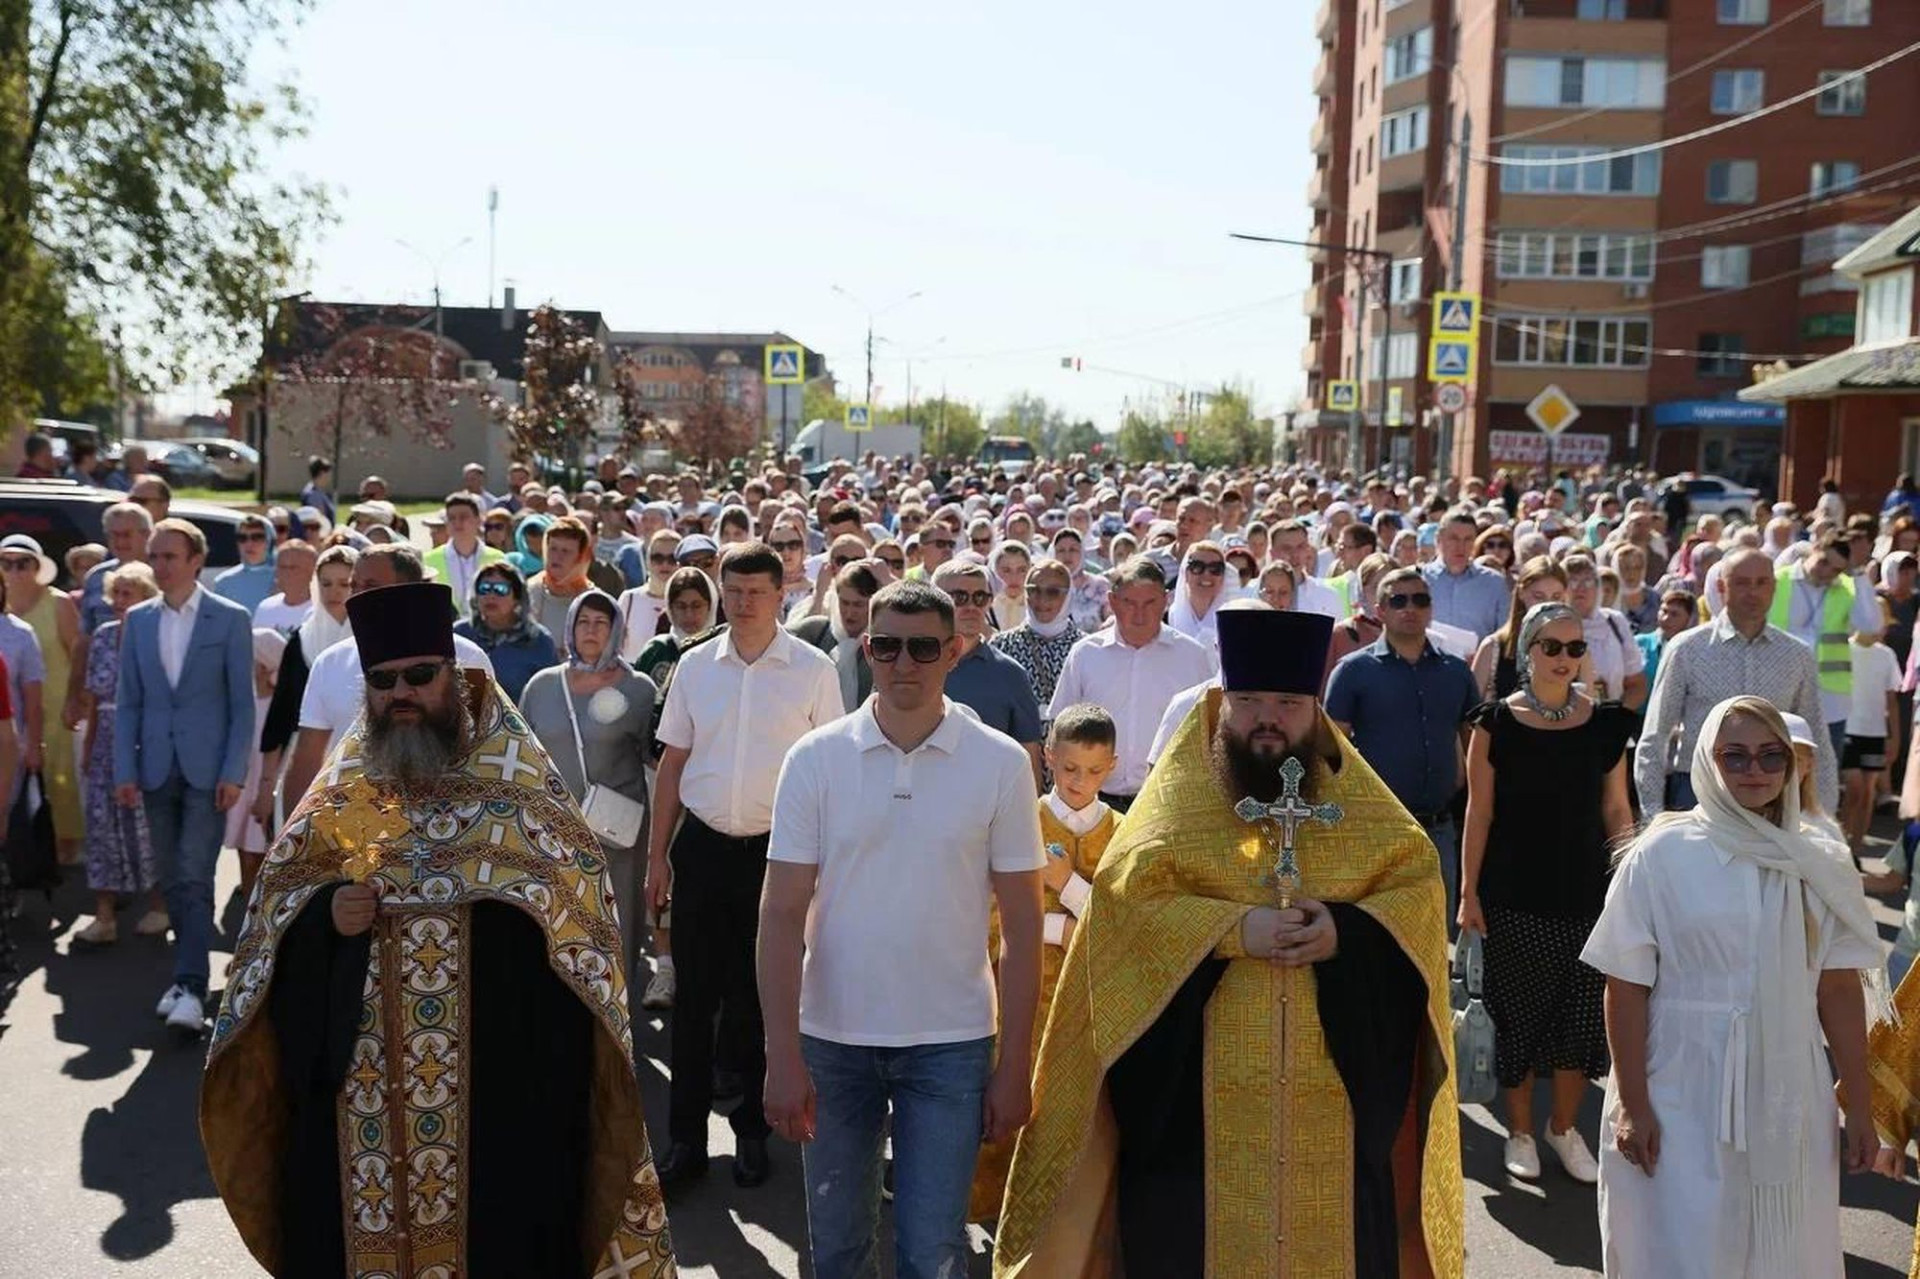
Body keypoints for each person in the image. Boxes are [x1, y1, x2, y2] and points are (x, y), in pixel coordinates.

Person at [199, 580, 676, 1279]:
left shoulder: (518, 789)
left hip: (499, 1099)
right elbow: (270, 928)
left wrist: (498, 905)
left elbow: (581, 926)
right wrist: (326, 914)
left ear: (454, 676)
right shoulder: (339, 795)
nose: (403, 694)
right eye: (384, 680)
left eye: (421, 676)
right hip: (359, 1103)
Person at [996, 607, 1461, 1277]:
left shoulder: (1361, 813)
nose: (1267, 716)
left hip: (1331, 1104)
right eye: (1249, 700)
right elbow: (1124, 908)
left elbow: (1417, 889)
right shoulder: (1176, 811)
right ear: (1223, 702)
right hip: (1195, 1115)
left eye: (1287, 702)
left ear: (1316, 710)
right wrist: (1230, 929)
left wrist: (1345, 929)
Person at [760, 578, 1045, 1278]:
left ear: (954, 651)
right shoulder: (815, 758)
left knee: (932, 1251)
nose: (903, 663)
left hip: (950, 1045)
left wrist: (1014, 1064)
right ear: (867, 648)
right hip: (833, 1040)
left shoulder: (1003, 763)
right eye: (887, 646)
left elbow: (1023, 924)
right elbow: (780, 913)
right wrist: (780, 1053)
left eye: (923, 647)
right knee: (838, 1250)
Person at [1583, 695, 1883, 1279]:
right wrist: (1633, 1105)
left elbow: (1839, 991)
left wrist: (1862, 1107)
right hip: (1679, 1081)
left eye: (1772, 756)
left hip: (1789, 1087)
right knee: (1679, 1243)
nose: (1756, 771)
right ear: (1706, 761)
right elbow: (1625, 985)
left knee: (1785, 1245)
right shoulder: (1662, 852)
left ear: (1794, 765)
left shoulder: (1821, 858)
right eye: (1736, 756)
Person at [645, 541, 843, 1192]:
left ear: (781, 591)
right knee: (694, 1002)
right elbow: (672, 763)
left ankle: (756, 1136)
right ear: (721, 592)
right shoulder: (695, 666)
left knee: (762, 999)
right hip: (701, 847)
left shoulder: (814, 670)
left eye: (757, 590)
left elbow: (831, 773)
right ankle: (685, 1143)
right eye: (733, 591)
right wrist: (657, 859)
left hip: (777, 854)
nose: (744, 602)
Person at [1458, 602, 1634, 1186]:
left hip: (1589, 891)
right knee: (1517, 1019)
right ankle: (1521, 1131)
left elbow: (1616, 809)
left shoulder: (1606, 722)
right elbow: (1478, 815)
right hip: (1513, 893)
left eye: (1575, 647)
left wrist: (1630, 883)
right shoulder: (1495, 724)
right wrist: (1468, 893)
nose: (1564, 659)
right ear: (1528, 650)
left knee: (1581, 1021)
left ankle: (1562, 1126)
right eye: (1552, 647)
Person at [114, 518, 256, 1035]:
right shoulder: (140, 620)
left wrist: (234, 771)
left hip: (208, 771)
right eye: (154, 556)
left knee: (195, 876)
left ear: (196, 561)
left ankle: (192, 987)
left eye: (169, 556)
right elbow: (128, 701)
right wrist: (124, 768)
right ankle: (185, 977)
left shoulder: (229, 618)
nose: (159, 566)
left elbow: (243, 707)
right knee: (171, 876)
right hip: (154, 767)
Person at [279, 545, 495, 815]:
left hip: (453, 819)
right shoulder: (329, 663)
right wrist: (292, 836)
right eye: (353, 584)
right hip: (358, 826)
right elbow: (307, 759)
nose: (356, 595)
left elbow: (491, 746)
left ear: (411, 587)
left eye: (370, 584)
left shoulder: (467, 657)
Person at [1326, 566, 1481, 927]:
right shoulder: (1352, 671)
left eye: (1420, 600)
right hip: (1377, 828)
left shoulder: (1456, 672)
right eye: (1398, 600)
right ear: (1379, 610)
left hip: (1439, 828)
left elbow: (1473, 741)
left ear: (1431, 608)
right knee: (1377, 932)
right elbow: (1330, 751)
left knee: (1434, 932)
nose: (1410, 608)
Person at [520, 591, 657, 993]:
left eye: (601, 622)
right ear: (570, 629)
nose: (591, 630)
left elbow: (658, 761)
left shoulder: (640, 689)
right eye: (583, 621)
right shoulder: (542, 686)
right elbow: (526, 756)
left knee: (617, 930)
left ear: (617, 630)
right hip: (553, 833)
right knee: (559, 930)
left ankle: (617, 1035)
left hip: (616, 834)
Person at [1638, 547, 1836, 816]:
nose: (1753, 592)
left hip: (1772, 798)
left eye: (1761, 582)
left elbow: (1818, 741)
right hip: (1698, 794)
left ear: (1774, 587)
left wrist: (1823, 819)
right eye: (1742, 583)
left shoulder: (1796, 655)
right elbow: (1655, 735)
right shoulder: (1687, 648)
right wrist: (1652, 814)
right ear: (1722, 587)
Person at [1046, 557, 1214, 812]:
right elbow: (1061, 725)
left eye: (1150, 603)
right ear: (1113, 602)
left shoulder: (1192, 657)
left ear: (1166, 600)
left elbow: (1209, 729)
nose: (1139, 614)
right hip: (1091, 802)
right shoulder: (1085, 654)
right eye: (1129, 603)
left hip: (1165, 802)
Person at [71, 563, 163, 945]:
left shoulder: (158, 635)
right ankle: (104, 914)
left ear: (146, 597)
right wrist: (90, 745)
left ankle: (160, 906)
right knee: (101, 826)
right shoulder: (104, 636)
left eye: (129, 593)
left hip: (146, 739)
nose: (119, 601)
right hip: (107, 738)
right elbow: (94, 699)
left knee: (148, 826)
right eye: (117, 593)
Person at [252, 545, 356, 844]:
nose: (334, 591)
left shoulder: (372, 638)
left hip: (357, 762)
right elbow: (280, 716)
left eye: (344, 583)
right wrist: (266, 786)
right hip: (303, 763)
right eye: (326, 583)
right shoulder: (301, 640)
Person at [1770, 530, 1885, 761]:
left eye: (1835, 569)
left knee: (1825, 774)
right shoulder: (1777, 580)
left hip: (1830, 700)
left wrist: (1858, 574)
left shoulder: (1846, 586)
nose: (1825, 572)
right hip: (1780, 689)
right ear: (1813, 549)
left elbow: (1871, 625)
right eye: (1823, 562)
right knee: (1777, 768)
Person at [932, 559, 1044, 787]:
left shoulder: (1011, 674)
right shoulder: (910, 663)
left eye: (980, 598)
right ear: (934, 600)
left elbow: (1028, 761)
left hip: (989, 812)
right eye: (960, 597)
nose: (972, 606)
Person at [0, 535, 76, 860]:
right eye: (6, 563)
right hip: (14, 720)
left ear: (36, 566)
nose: (14, 570)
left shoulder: (55, 604)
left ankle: (59, 856)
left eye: (23, 563)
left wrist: (76, 701)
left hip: (50, 713)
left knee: (56, 789)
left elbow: (77, 654)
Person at [1470, 555, 1584, 700]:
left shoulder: (1575, 648)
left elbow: (1588, 708)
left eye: (1556, 596)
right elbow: (1472, 713)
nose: (1547, 605)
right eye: (1539, 596)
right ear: (1521, 593)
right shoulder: (1493, 647)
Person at [452, 562, 556, 704]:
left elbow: (549, 695)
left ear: (517, 598)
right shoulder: (459, 635)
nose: (491, 595)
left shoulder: (539, 641)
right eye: (484, 589)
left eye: (500, 589)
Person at [988, 557, 1082, 715]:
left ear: (1068, 596)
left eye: (1053, 592)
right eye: (1034, 590)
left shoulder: (1085, 649)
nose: (1042, 599)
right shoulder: (1001, 646)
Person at [786, 560, 880, 713]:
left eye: (858, 605)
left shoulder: (881, 643)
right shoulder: (816, 631)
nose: (850, 612)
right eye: (845, 603)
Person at [1843, 629, 1902, 859]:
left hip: (1875, 735)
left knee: (1868, 792)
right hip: (1848, 730)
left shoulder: (1886, 655)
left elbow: (1892, 701)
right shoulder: (1843, 649)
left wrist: (1894, 737)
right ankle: (1841, 844)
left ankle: (1855, 849)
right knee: (1854, 788)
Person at [1564, 554, 1648, 710]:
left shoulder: (1614, 622)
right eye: (1573, 581)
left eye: (1588, 581)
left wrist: (1615, 717)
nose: (1580, 588)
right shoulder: (1552, 625)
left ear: (1597, 587)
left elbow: (1637, 684)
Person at [1424, 507, 1512, 645]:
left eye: (1468, 539)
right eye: (1454, 538)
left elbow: (1504, 636)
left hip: (1477, 664)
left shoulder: (1495, 583)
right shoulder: (1420, 579)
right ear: (1438, 539)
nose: (1461, 546)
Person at [423, 491, 508, 618]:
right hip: (443, 630)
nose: (457, 523)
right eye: (451, 518)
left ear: (479, 520)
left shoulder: (498, 558)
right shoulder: (428, 560)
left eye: (464, 517)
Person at [616, 529, 684, 660]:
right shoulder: (629, 599)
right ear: (647, 560)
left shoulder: (690, 603)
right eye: (657, 558)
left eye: (672, 559)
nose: (665, 564)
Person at [1166, 539, 1235, 648]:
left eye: (1215, 568)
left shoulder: (1233, 620)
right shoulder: (1167, 617)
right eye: (1197, 567)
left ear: (1222, 577)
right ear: (1185, 574)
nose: (1206, 574)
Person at [252, 538, 316, 636]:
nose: (286, 573)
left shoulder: (319, 611)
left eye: (293, 568)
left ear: (312, 572)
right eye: (282, 567)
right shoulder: (265, 608)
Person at [298, 455, 335, 525]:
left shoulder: (317, 491)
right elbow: (320, 520)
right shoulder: (313, 494)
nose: (329, 477)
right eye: (328, 473)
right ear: (322, 473)